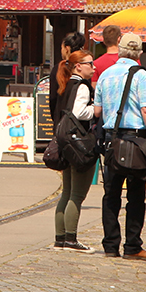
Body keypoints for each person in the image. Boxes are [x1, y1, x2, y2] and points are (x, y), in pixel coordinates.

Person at [95, 31, 146, 260]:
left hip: (113, 139)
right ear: (139, 53)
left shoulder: (106, 74)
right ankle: (132, 246)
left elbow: (97, 111)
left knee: (111, 194)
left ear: (120, 51)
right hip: (136, 139)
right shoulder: (143, 76)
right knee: (136, 194)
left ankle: (110, 246)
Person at [53, 49, 97, 252]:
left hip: (64, 143)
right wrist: (96, 109)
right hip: (78, 144)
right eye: (90, 63)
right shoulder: (82, 86)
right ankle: (71, 239)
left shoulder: (65, 84)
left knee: (67, 193)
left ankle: (60, 238)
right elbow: (79, 112)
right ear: (78, 66)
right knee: (77, 195)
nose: (93, 67)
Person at [50, 31, 86, 124]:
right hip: (81, 120)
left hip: (61, 116)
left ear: (67, 48)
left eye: (61, 48)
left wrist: (55, 116)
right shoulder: (84, 67)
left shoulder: (58, 68)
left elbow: (53, 97)